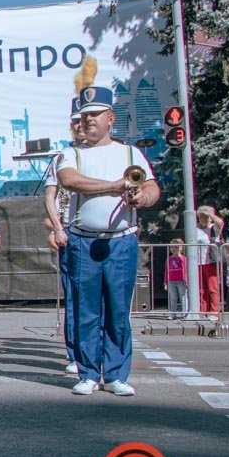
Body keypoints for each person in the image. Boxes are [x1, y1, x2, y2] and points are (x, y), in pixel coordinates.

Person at [57, 83, 160, 397]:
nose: (88, 120)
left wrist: (142, 198)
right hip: (84, 242)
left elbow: (152, 188)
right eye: (84, 115)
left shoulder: (130, 153)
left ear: (110, 118)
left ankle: (115, 374)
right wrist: (114, 186)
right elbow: (69, 180)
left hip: (120, 241)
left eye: (95, 114)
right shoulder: (72, 153)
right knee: (86, 311)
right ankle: (88, 373)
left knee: (117, 311)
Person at [44, 98, 85, 374]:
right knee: (74, 295)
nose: (80, 126)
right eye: (75, 122)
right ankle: (76, 354)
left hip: (101, 231)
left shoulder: (110, 152)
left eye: (84, 120)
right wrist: (58, 228)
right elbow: (50, 196)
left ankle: (101, 352)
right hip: (71, 231)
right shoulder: (62, 157)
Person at [196, 205, 225, 320]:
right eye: (200, 217)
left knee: (213, 288)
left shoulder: (213, 228)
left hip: (210, 261)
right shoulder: (196, 228)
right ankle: (202, 312)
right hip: (198, 262)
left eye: (205, 217)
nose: (202, 219)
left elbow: (220, 222)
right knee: (201, 289)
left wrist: (210, 215)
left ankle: (214, 313)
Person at [166, 239, 187, 319]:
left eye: (176, 247)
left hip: (181, 280)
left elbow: (186, 270)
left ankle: (184, 314)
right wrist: (166, 282)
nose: (174, 249)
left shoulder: (183, 258)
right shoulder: (169, 259)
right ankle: (173, 314)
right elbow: (166, 271)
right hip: (171, 281)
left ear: (181, 248)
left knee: (183, 297)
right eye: (172, 247)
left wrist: (186, 280)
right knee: (173, 298)